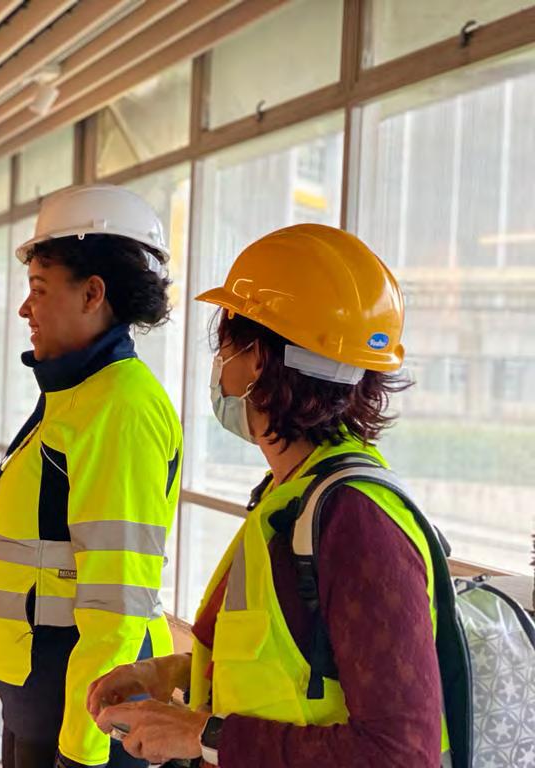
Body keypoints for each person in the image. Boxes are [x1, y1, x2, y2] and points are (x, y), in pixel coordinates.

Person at [87, 224, 446, 767]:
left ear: (256, 359)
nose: (218, 366)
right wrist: (171, 671)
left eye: (225, 344)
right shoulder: (294, 495)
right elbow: (292, 671)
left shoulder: (356, 520)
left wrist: (201, 735)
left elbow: (401, 754)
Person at [0, 184, 184, 768]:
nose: (25, 309)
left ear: (93, 293)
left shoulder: (119, 408)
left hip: (84, 719)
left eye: (39, 289)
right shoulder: (78, 395)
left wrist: (83, 753)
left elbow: (115, 603)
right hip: (43, 699)